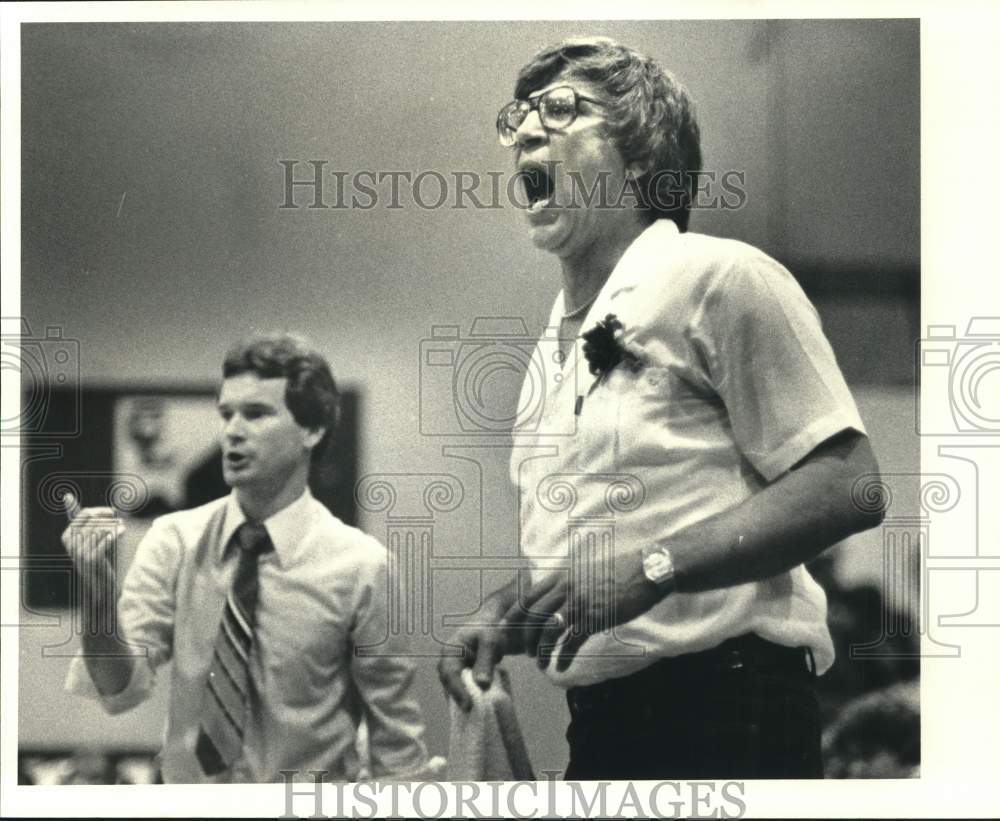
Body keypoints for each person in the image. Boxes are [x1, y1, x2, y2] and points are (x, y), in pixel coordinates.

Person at [438, 36, 886, 779]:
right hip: (604, 723)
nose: (522, 129)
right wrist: (508, 608)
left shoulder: (722, 277)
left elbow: (852, 485)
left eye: (558, 109)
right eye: (518, 115)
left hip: (730, 710)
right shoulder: (544, 355)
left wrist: (652, 567)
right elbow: (599, 554)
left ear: (644, 157)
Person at [64, 333, 431, 783]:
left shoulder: (362, 566)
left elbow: (396, 742)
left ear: (312, 430)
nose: (232, 431)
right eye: (226, 414)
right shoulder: (174, 540)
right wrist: (99, 601)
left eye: (256, 414)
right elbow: (117, 689)